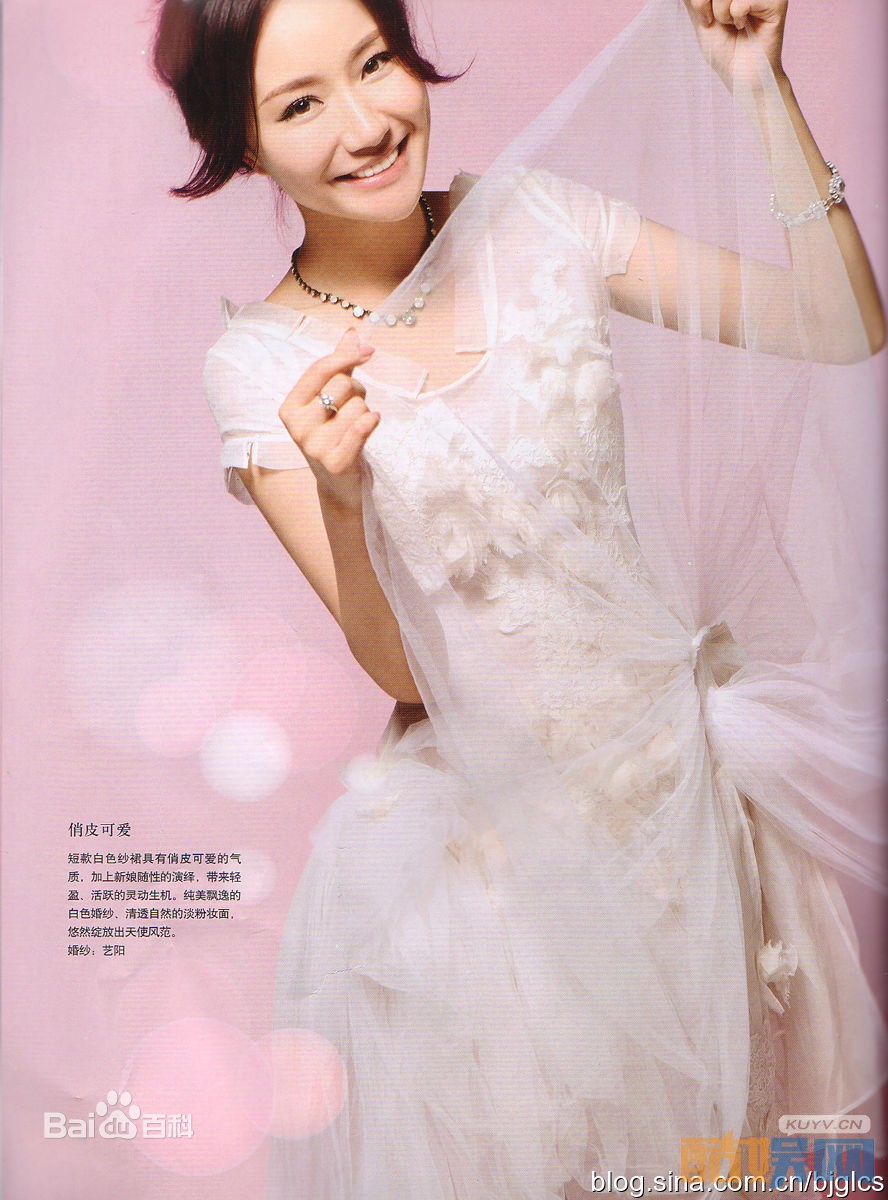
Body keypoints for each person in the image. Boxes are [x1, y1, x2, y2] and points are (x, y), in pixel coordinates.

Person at [153, 0, 887, 1195]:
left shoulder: (539, 220)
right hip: (497, 888)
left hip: (689, 815)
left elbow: (840, 322)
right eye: (301, 105)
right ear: (244, 146)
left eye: (376, 63)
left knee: (748, 1165)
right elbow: (403, 674)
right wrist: (341, 496)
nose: (365, 124)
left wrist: (764, 92)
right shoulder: (261, 366)